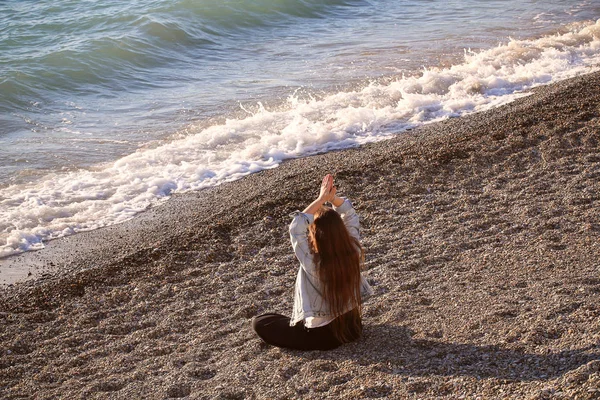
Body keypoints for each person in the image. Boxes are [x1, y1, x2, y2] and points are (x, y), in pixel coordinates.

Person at [252, 174, 373, 350]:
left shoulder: (313, 263)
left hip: (324, 337)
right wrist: (333, 199)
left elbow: (295, 228)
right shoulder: (352, 250)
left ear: (316, 235)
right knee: (275, 318)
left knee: (260, 322)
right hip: (353, 327)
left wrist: (321, 199)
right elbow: (349, 214)